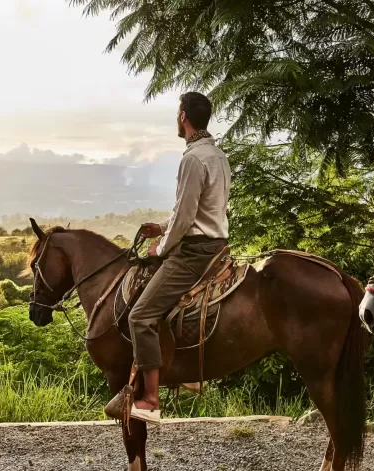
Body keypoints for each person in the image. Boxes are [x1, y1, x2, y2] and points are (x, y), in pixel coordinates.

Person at [124, 91, 231, 424]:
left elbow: (186, 218)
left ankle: (151, 399)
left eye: (176, 113)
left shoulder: (192, 159)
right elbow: (195, 210)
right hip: (216, 244)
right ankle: (183, 371)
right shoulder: (218, 156)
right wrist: (162, 227)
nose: (176, 118)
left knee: (140, 316)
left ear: (183, 116)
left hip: (194, 253)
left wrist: (162, 246)